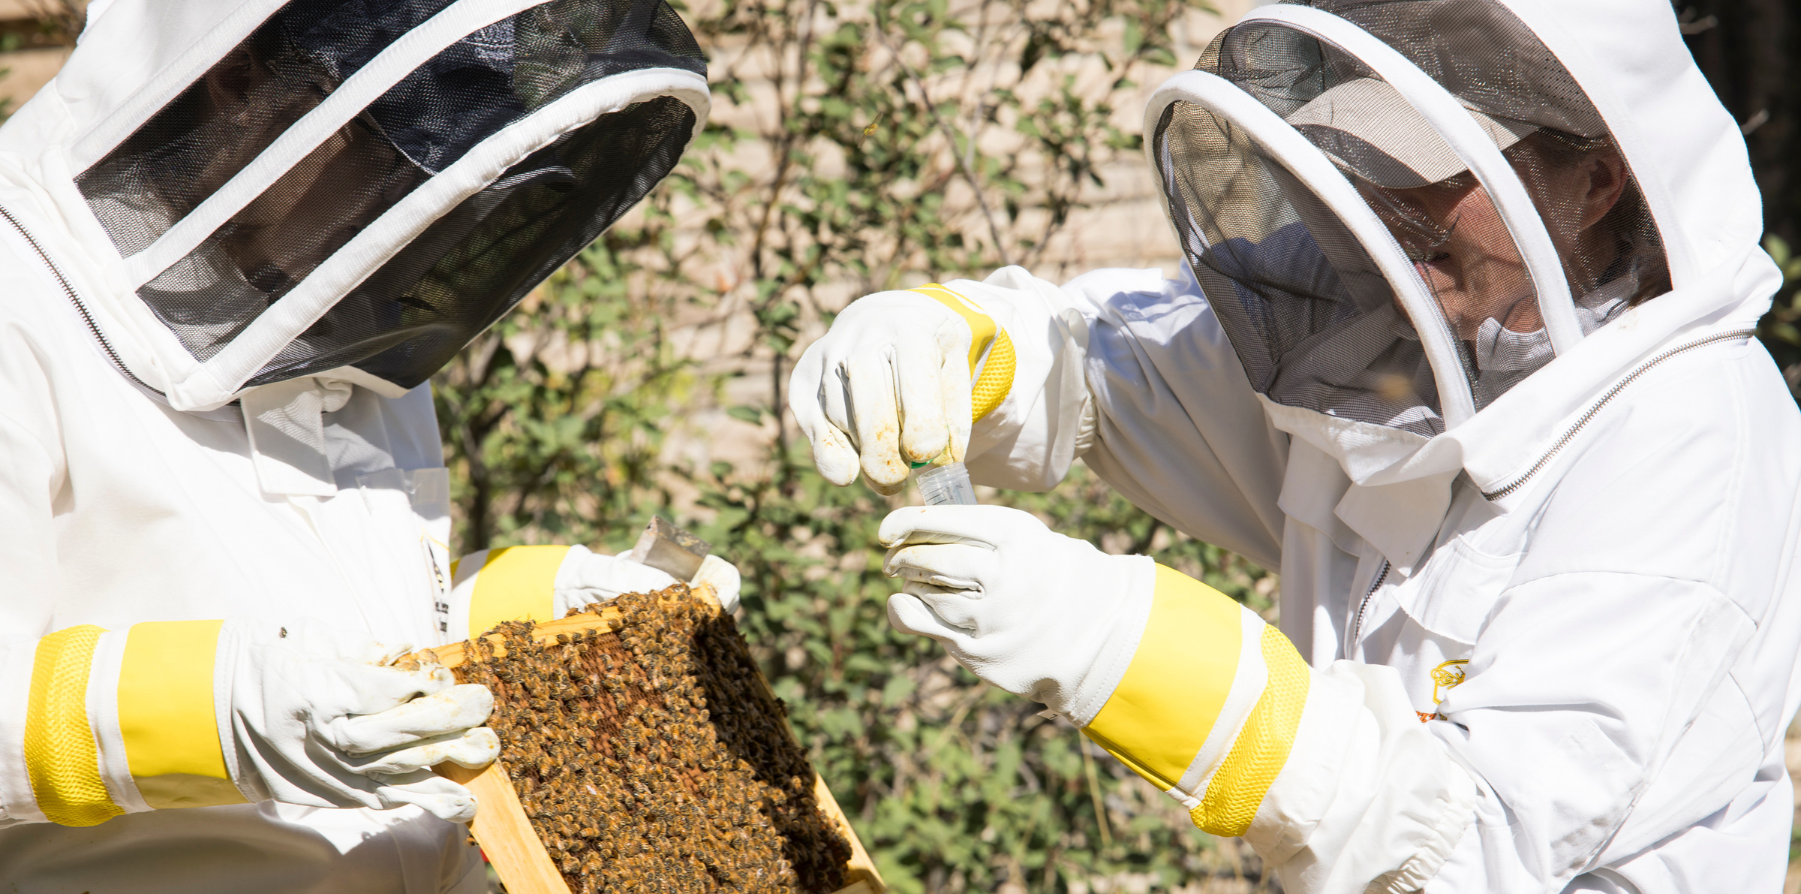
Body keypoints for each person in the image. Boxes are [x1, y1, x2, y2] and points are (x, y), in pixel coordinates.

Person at [788, 0, 1801, 891]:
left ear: (1596, 178)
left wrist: (1133, 653)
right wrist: (970, 350)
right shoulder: (1411, 328)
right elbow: (1125, 366)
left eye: (1428, 171)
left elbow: (1475, 852)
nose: (1380, 207)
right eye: (1358, 159)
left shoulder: (1688, 448)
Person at [0, 0, 732, 891]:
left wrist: (544, 614)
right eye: (397, 141)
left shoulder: (321, 317)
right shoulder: (18, 304)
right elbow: (261, 688)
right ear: (244, 78)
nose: (412, 197)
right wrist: (213, 716)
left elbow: (352, 636)